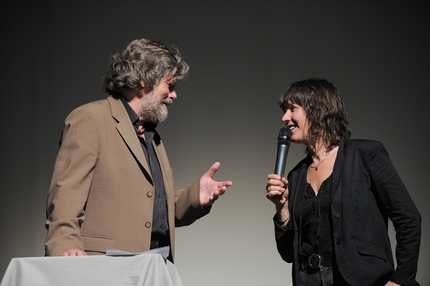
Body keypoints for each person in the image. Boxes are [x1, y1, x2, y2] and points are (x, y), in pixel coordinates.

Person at [45, 39, 232, 262]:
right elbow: (67, 191)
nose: (174, 95)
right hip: (103, 265)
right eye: (169, 86)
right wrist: (64, 242)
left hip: (153, 266)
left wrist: (195, 197)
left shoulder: (152, 137)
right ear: (144, 81)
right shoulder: (90, 119)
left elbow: (150, 206)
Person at [266, 78, 421, 286]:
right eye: (284, 111)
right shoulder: (295, 176)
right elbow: (288, 254)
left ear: (317, 109)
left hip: (361, 279)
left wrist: (401, 280)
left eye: (292, 109)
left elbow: (408, 219)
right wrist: (281, 208)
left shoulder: (366, 155)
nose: (285, 118)